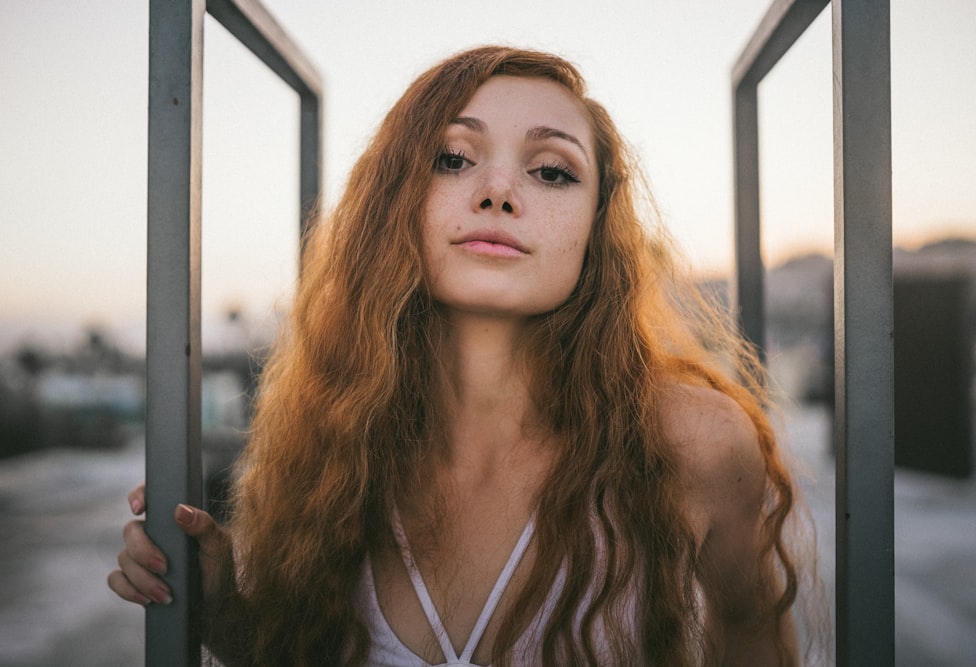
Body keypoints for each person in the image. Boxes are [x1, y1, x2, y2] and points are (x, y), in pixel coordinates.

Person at [109, 46, 815, 665]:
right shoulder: (337, 444)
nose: (498, 191)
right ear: (397, 202)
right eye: (453, 158)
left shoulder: (689, 442)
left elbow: (752, 634)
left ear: (597, 230)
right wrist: (217, 606)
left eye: (551, 171)